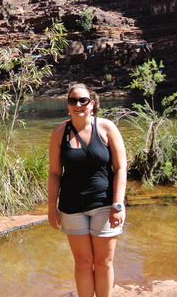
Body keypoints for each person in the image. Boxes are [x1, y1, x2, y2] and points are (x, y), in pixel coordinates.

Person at [48, 83, 127, 297]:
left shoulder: (106, 128)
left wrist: (118, 204)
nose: (78, 104)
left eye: (83, 100)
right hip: (72, 207)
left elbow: (121, 168)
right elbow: (55, 173)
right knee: (83, 263)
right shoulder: (59, 133)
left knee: (103, 263)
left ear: (92, 104)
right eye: (73, 100)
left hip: (105, 204)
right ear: (68, 106)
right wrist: (51, 208)